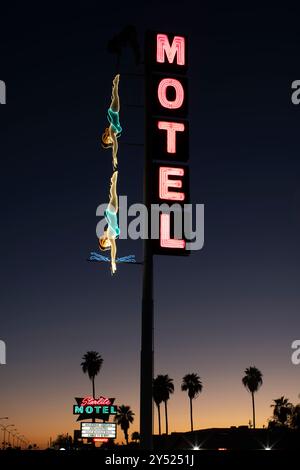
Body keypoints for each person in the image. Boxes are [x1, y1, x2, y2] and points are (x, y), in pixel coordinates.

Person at [98, 170, 120, 274]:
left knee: (114, 193)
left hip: (111, 212)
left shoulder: (111, 236)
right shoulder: (111, 235)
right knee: (113, 194)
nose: (109, 244)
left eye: (106, 244)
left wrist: (113, 262)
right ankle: (113, 179)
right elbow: (112, 246)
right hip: (112, 213)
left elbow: (114, 249)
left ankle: (114, 178)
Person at [101, 74, 122, 169]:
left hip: (114, 112)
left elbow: (115, 145)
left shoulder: (111, 132)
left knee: (115, 96)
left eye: (107, 140)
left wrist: (114, 156)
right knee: (114, 97)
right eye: (109, 142)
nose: (110, 141)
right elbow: (114, 144)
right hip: (115, 112)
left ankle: (116, 83)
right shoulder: (112, 133)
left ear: (106, 138)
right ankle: (115, 83)